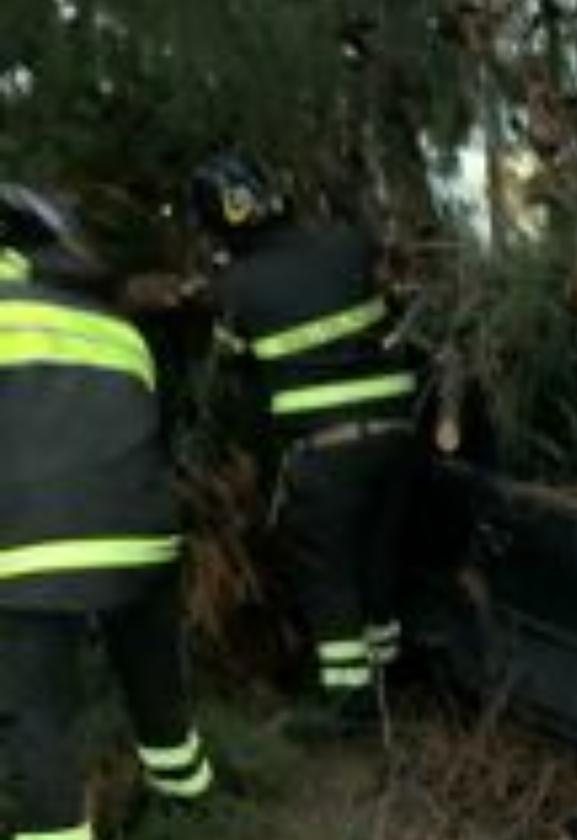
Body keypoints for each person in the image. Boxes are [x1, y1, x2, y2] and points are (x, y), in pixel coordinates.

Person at [0, 184, 215, 839]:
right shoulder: (116, 326)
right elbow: (159, 430)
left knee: (39, 723)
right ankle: (194, 806)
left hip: (30, 555)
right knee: (160, 698)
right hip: (145, 541)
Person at [187, 154, 420, 730]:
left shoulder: (237, 287)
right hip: (398, 438)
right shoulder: (345, 244)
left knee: (328, 573)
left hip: (325, 452)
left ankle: (350, 703)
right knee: (377, 562)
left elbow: (228, 380)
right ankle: (390, 681)